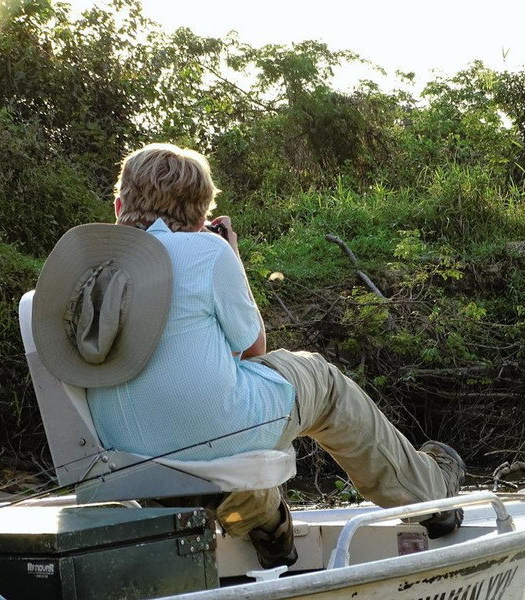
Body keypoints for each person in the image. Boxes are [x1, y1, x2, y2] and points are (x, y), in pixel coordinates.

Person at [83, 143, 466, 569]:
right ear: (200, 216)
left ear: (119, 204)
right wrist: (231, 254)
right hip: (215, 433)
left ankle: (266, 519)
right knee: (324, 381)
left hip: (120, 449)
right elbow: (252, 348)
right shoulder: (208, 252)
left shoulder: (83, 277)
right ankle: (433, 496)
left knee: (215, 421)